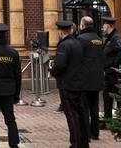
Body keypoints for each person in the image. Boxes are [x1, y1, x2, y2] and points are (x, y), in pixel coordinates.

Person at [51, 19, 89, 148]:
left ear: (61, 31)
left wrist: (53, 72)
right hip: (79, 83)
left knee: (72, 116)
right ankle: (83, 143)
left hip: (67, 84)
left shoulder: (64, 45)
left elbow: (60, 64)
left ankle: (76, 144)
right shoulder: (78, 43)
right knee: (80, 114)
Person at [77, 16, 105, 141]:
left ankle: (86, 134)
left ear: (82, 25)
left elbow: (78, 59)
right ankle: (95, 132)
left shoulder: (81, 39)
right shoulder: (99, 39)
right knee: (94, 106)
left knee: (84, 107)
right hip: (97, 78)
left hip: (85, 78)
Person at [101, 16, 121, 127]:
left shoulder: (116, 37)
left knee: (116, 96)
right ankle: (108, 121)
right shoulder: (110, 37)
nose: (103, 27)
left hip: (114, 73)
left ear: (108, 25)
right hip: (109, 72)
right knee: (107, 96)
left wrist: (114, 64)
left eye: (104, 25)